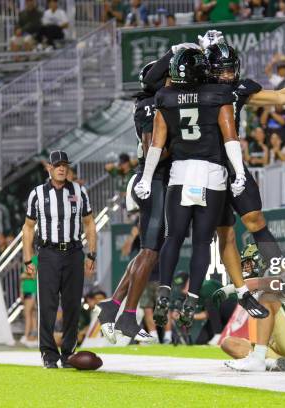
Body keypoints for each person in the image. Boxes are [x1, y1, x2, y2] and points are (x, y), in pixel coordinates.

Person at [142, 35, 285, 324]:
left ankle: (281, 269)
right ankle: (242, 291)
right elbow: (158, 80)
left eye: (230, 70)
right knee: (225, 233)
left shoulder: (235, 89)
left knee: (255, 219)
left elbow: (279, 97)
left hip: (230, 167)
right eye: (220, 70)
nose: (227, 76)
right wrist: (197, 50)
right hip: (208, 168)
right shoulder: (197, 87)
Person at [134, 46, 249, 329]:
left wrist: (146, 179)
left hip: (180, 174)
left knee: (173, 237)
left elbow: (157, 144)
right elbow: (231, 138)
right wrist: (240, 173)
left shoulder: (165, 98)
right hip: (211, 175)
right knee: (201, 242)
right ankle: (193, 297)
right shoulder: (217, 95)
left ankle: (163, 290)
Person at [96, 61, 166, 345]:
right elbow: (153, 148)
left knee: (147, 254)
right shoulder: (151, 104)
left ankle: (112, 307)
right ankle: (127, 315)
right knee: (149, 252)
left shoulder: (152, 101)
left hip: (151, 179)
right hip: (153, 179)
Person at [22, 150, 97, 368]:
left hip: (74, 252)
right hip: (48, 253)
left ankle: (68, 353)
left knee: (73, 304)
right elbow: (28, 228)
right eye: (57, 165)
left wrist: (91, 253)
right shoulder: (37, 193)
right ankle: (48, 354)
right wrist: (28, 259)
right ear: (49, 168)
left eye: (65, 165)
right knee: (47, 305)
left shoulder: (79, 191)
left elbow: (89, 222)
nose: (62, 168)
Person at [217, 244, 285, 371]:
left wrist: (232, 288)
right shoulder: (256, 285)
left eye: (249, 263)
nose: (246, 268)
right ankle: (272, 363)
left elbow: (276, 283)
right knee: (228, 343)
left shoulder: (274, 270)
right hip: (279, 351)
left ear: (261, 262)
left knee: (267, 298)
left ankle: (259, 360)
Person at [20, 255, 38, 347]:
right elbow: (22, 279)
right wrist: (21, 292)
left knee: (28, 313)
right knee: (31, 314)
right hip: (26, 290)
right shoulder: (26, 259)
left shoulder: (35, 259)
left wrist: (24, 275)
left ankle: (27, 335)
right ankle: (33, 335)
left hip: (32, 290)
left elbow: (34, 275)